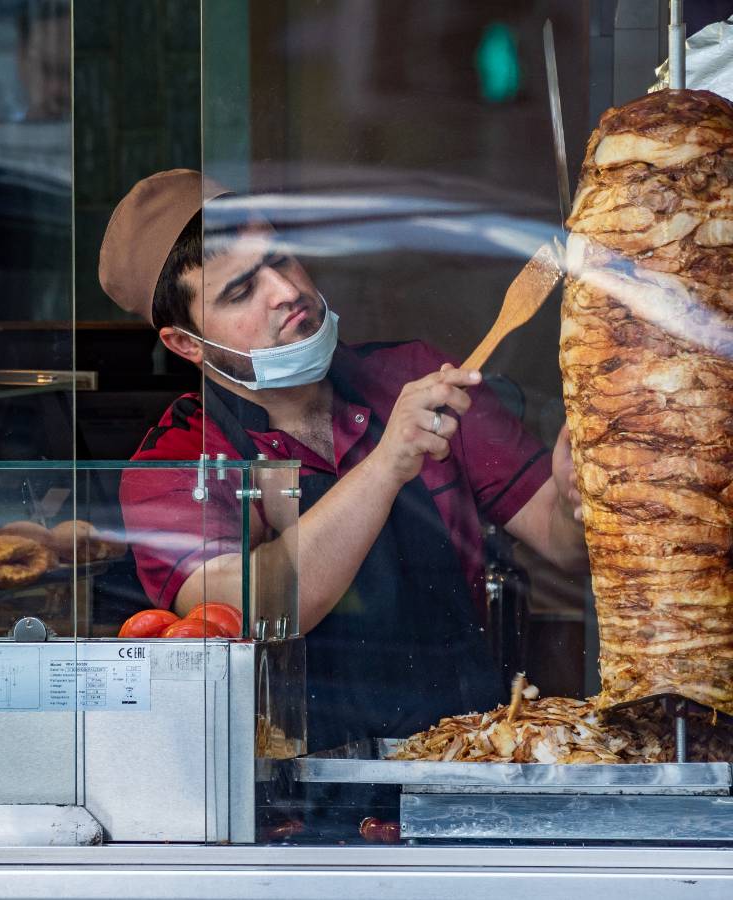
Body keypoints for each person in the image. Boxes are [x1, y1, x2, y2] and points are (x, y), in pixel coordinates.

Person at [102, 169, 589, 750]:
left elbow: (563, 546)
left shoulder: (415, 377)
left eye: (279, 259)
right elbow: (243, 607)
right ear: (186, 343)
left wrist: (573, 498)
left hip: (466, 755)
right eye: (240, 292)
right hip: (297, 789)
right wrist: (387, 464)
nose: (285, 291)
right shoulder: (177, 463)